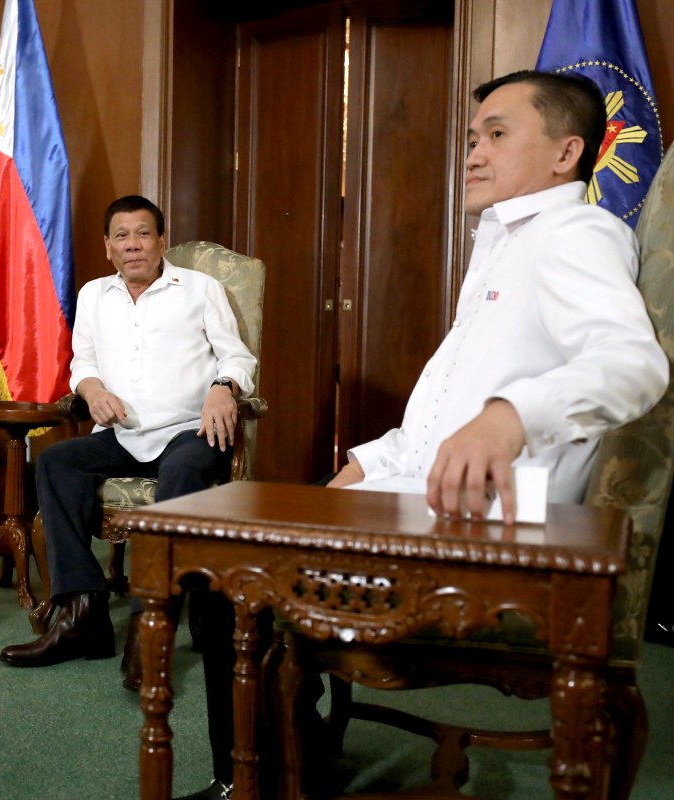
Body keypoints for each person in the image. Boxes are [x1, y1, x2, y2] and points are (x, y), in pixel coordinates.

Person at [177, 70, 669, 800]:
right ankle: (287, 761)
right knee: (232, 548)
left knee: (224, 577)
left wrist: (511, 416)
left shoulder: (576, 233)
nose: (472, 152)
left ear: (566, 153)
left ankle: (259, 779)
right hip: (425, 493)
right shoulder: (502, 245)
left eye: (498, 135)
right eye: (473, 137)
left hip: (499, 524)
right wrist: (362, 467)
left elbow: (634, 364)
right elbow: (439, 417)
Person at [0, 194, 257, 670]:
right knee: (56, 463)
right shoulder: (95, 294)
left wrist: (224, 387)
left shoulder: (199, 289)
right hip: (121, 434)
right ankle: (83, 616)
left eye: (143, 233)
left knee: (181, 475)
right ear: (108, 247)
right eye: (122, 236)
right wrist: (92, 389)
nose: (132, 245)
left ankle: (148, 625)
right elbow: (84, 363)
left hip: (189, 432)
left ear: (162, 241)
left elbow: (237, 356)